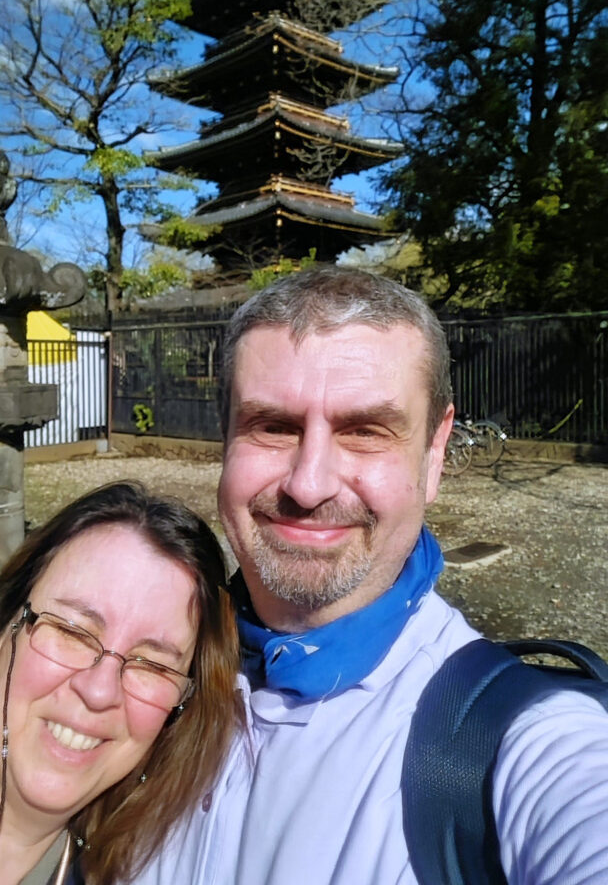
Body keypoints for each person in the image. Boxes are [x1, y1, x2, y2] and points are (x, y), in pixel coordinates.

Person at [130, 266, 608, 885]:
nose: (308, 484)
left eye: (365, 432)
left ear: (435, 454)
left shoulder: (522, 742)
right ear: (224, 437)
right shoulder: (149, 677)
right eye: (273, 427)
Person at [0, 481, 242, 885]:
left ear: (180, 709)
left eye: (152, 665)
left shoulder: (121, 872)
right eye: (71, 632)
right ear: (2, 634)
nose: (100, 690)